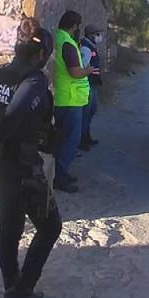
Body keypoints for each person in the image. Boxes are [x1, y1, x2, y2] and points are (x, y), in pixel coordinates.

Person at [0, 17, 62, 298]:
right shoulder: (34, 81)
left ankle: (13, 289)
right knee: (50, 228)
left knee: (10, 228)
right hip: (22, 169)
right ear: (40, 55)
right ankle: (22, 291)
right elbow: (17, 112)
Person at [52, 10, 90, 193]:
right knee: (70, 141)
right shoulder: (67, 42)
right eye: (77, 26)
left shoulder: (57, 38)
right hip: (71, 99)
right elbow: (75, 72)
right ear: (74, 26)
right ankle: (61, 177)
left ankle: (61, 173)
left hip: (62, 97)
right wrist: (88, 70)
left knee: (61, 140)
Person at [79, 24, 103, 150]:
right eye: (97, 34)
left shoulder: (91, 47)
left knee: (91, 111)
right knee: (86, 113)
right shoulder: (86, 48)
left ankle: (86, 136)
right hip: (87, 84)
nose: (99, 36)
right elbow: (83, 65)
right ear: (90, 35)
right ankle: (82, 140)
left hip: (92, 83)